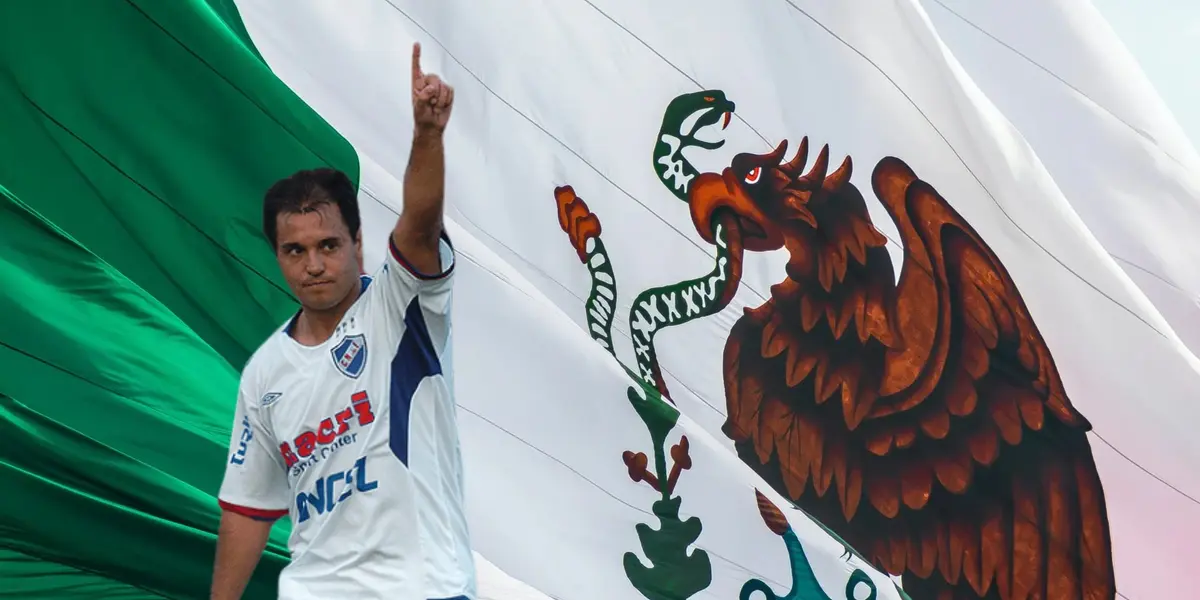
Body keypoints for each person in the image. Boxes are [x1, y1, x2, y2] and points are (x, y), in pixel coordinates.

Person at [210, 43, 474, 600]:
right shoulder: (264, 374)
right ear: (277, 256)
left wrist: (428, 136)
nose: (314, 265)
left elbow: (420, 228)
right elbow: (248, 511)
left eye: (329, 244)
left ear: (358, 241)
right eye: (295, 250)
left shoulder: (401, 306)